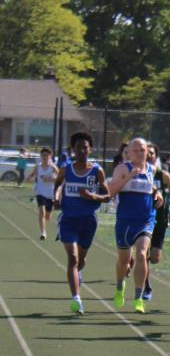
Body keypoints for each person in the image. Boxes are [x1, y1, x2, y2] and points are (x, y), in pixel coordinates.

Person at [104, 137, 161, 314]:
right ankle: (119, 286)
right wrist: (128, 177)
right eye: (135, 150)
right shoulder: (122, 168)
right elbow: (110, 191)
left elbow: (153, 189)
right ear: (129, 152)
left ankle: (138, 297)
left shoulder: (152, 169)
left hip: (145, 220)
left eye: (142, 150)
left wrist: (158, 196)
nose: (140, 153)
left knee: (142, 254)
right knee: (123, 260)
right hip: (125, 221)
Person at [53, 132, 108, 314]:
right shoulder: (66, 169)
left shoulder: (97, 171)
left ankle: (78, 274)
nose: (82, 150)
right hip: (68, 219)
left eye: (85, 147)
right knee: (73, 258)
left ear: (90, 149)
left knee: (81, 260)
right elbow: (58, 184)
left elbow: (107, 196)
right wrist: (56, 197)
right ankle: (76, 298)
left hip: (88, 221)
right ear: (73, 150)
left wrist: (92, 196)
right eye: (78, 147)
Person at [143, 144, 170, 301]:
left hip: (160, 221)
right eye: (146, 153)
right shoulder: (138, 174)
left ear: (156, 156)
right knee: (143, 254)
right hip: (143, 220)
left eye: (151, 153)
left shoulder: (163, 176)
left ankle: (140, 262)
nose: (149, 156)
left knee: (155, 258)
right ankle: (146, 286)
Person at [27, 146, 58, 239]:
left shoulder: (53, 167)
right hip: (40, 192)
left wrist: (50, 179)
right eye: (43, 155)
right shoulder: (38, 167)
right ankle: (43, 233)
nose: (45, 157)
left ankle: (46, 219)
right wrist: (29, 178)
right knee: (42, 211)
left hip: (50, 194)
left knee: (47, 216)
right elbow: (31, 176)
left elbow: (59, 178)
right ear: (41, 156)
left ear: (50, 156)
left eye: (47, 155)